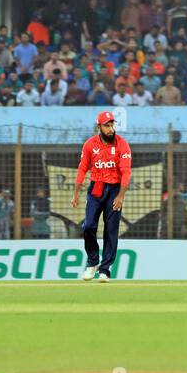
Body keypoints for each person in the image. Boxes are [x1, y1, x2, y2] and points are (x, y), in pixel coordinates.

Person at [72, 111, 132, 281]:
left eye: (112, 125)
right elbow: (83, 168)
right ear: (99, 126)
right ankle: (92, 263)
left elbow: (126, 171)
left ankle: (105, 269)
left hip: (115, 190)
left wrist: (121, 196)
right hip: (96, 188)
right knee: (88, 226)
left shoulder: (122, 144)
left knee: (111, 230)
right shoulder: (90, 144)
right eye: (107, 125)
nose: (110, 128)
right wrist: (76, 193)